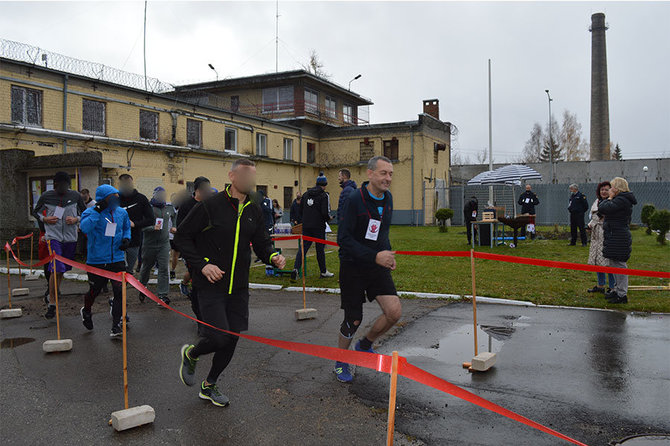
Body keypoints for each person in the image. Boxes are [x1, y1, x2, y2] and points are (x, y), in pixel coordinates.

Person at [175, 158, 286, 407]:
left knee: (232, 337)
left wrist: (272, 255)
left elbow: (261, 242)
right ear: (233, 176)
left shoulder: (253, 209)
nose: (250, 180)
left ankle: (209, 385)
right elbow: (182, 236)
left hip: (238, 286)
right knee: (218, 337)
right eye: (246, 175)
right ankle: (191, 354)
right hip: (211, 283)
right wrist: (202, 265)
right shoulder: (210, 205)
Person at [333, 156, 401, 383]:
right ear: (370, 174)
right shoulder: (354, 199)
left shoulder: (388, 198)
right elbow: (343, 239)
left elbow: (381, 232)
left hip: (377, 265)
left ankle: (365, 345)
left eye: (390, 174)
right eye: (383, 173)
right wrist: (374, 256)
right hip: (353, 265)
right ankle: (341, 361)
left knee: (394, 312)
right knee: (353, 319)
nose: (388, 178)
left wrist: (387, 254)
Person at [32, 171, 87, 319]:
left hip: (70, 238)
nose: (62, 188)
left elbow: (86, 212)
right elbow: (35, 212)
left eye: (65, 185)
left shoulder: (75, 196)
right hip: (53, 236)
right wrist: (45, 219)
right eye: (59, 185)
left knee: (61, 271)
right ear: (55, 184)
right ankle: (52, 303)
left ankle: (53, 293)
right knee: (56, 268)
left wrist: (76, 219)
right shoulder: (46, 196)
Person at [79, 185, 132, 337]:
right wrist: (97, 211)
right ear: (104, 198)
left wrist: (126, 239)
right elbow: (85, 228)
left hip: (117, 259)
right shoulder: (89, 212)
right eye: (112, 196)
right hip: (97, 260)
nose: (116, 198)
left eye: (117, 195)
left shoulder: (121, 212)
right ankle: (87, 310)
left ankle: (116, 325)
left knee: (119, 290)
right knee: (94, 291)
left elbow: (126, 228)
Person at [598, 177, 637, 304]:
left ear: (617, 188)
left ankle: (622, 294)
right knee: (613, 264)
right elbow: (602, 207)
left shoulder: (622, 200)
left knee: (620, 265)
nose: (609, 190)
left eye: (612, 187)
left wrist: (609, 198)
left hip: (619, 237)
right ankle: (616, 289)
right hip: (614, 235)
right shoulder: (619, 200)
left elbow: (604, 208)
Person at [291, 172, 334, 279]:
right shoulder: (324, 195)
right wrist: (329, 218)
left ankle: (296, 269)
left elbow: (301, 210)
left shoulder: (305, 194)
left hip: (306, 226)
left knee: (303, 248)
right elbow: (325, 212)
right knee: (320, 249)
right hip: (319, 226)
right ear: (324, 185)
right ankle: (323, 271)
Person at [138, 187, 177, 306]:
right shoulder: (148, 208)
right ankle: (142, 287)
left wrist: (174, 226)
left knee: (164, 268)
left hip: (164, 244)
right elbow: (142, 226)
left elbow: (174, 216)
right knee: (146, 267)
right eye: (159, 195)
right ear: (154, 195)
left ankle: (162, 295)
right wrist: (151, 228)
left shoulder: (168, 208)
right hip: (149, 244)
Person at [176, 176, 212, 299]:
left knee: (201, 271)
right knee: (194, 270)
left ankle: (198, 292)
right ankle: (189, 288)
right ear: (197, 190)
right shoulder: (187, 205)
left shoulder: (210, 204)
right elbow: (180, 227)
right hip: (190, 245)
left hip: (206, 245)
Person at [118, 174, 154, 273]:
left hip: (134, 239)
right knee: (120, 267)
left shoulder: (141, 199)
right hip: (117, 238)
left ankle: (125, 284)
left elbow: (151, 219)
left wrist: (135, 224)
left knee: (129, 269)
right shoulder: (115, 198)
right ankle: (118, 287)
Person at [587, 181, 616, 294]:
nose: (604, 191)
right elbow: (594, 216)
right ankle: (601, 285)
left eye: (606, 189)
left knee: (608, 261)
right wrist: (590, 224)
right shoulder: (597, 201)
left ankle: (613, 287)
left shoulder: (613, 202)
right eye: (602, 189)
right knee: (598, 260)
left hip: (607, 233)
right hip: (596, 235)